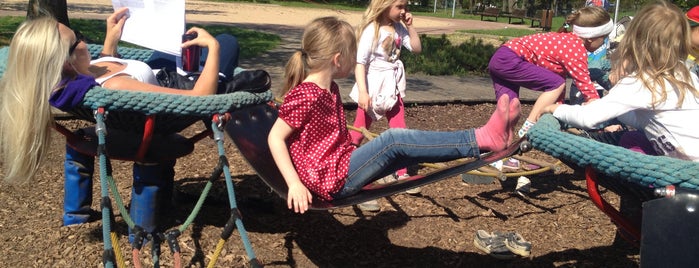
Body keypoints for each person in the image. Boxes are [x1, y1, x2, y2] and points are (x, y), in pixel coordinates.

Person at [0, 8, 233, 239]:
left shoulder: (75, 76)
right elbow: (200, 98)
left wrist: (111, 40)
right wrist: (214, 48)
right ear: (67, 61)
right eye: (78, 38)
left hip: (154, 81)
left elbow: (101, 69)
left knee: (175, 40)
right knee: (228, 40)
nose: (83, 40)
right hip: (174, 94)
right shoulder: (117, 88)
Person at [268, 16, 520, 214]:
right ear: (337, 60)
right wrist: (294, 184)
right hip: (329, 180)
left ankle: (484, 142)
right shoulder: (307, 94)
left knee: (403, 150)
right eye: (352, 53)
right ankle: (483, 137)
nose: (356, 59)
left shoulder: (329, 88)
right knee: (394, 140)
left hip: (340, 167)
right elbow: (275, 138)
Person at [543, 1, 699, 161]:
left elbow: (588, 119)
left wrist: (555, 108)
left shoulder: (641, 82)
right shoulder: (686, 75)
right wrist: (600, 107)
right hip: (691, 160)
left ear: (634, 40)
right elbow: (643, 120)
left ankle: (644, 185)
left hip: (690, 171)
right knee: (632, 139)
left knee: (628, 145)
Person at [488, 6, 613, 138]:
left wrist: (558, 106)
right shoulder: (575, 49)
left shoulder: (566, 40)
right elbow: (585, 85)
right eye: (604, 38)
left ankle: (498, 148)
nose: (605, 43)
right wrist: (603, 121)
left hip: (501, 57)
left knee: (509, 110)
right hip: (511, 59)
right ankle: (530, 126)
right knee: (557, 84)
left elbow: (557, 77)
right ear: (591, 38)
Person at [348, 0, 423, 201]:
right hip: (373, 87)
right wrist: (363, 92)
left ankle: (401, 172)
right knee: (358, 131)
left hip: (393, 86)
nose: (403, 11)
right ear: (384, 4)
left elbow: (416, 49)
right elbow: (359, 64)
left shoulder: (399, 28)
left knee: (399, 130)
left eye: (406, 6)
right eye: (399, 6)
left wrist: (410, 26)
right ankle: (344, 163)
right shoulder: (371, 31)